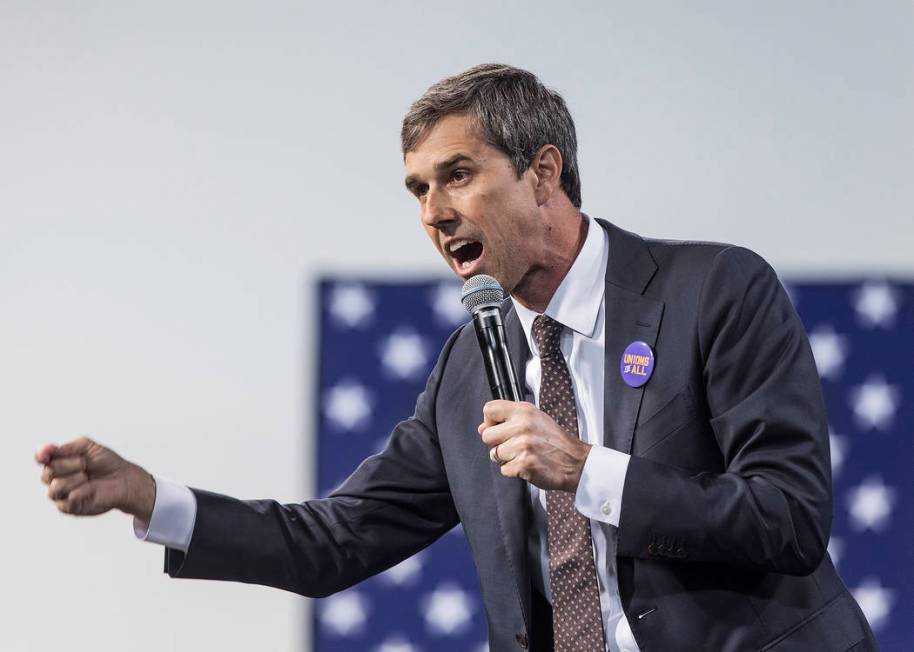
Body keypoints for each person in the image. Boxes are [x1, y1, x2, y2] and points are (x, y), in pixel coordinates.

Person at [36, 64, 878, 652]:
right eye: (417, 190)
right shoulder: (468, 370)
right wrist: (155, 498)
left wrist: (587, 469)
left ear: (542, 173)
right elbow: (335, 541)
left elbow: (791, 518)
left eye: (458, 175)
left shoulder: (714, 291)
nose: (434, 213)